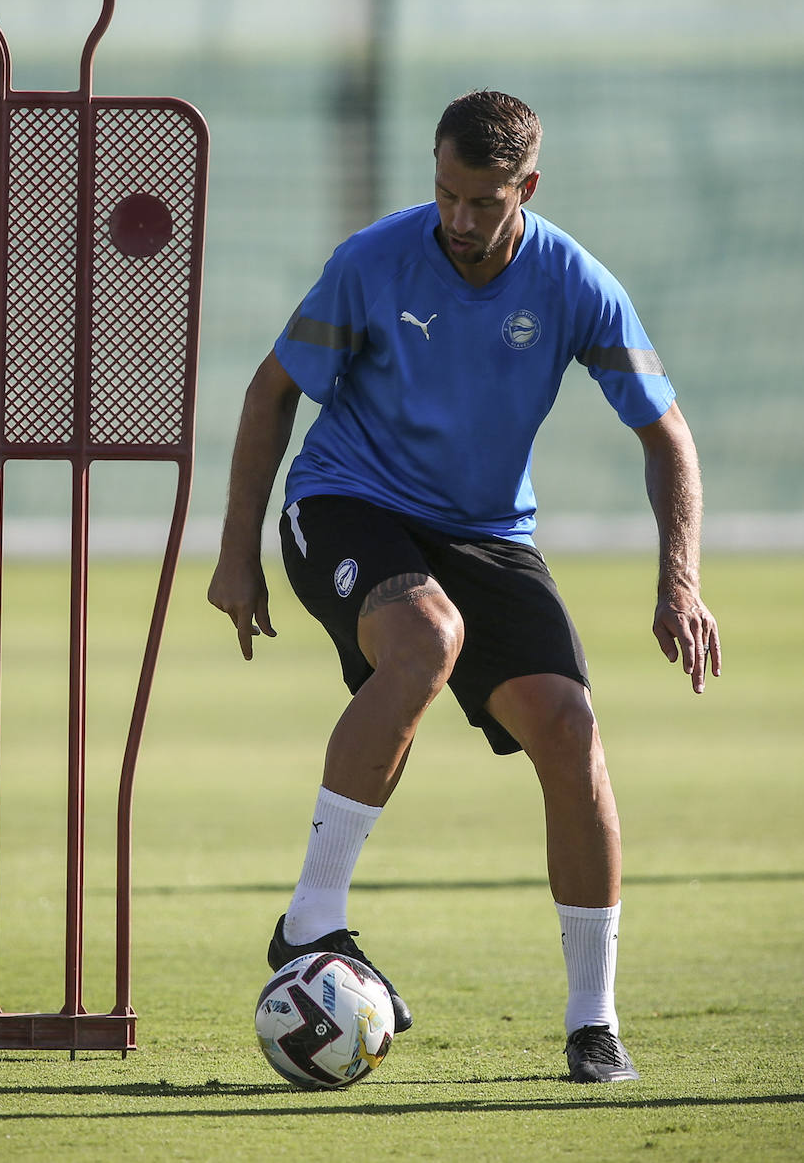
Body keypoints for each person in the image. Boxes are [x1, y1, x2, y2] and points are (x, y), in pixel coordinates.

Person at [207, 89, 720, 1083]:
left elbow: (665, 435)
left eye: (481, 201)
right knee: (424, 640)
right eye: (444, 193)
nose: (458, 219)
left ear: (523, 188)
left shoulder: (574, 283)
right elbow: (269, 390)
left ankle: (590, 1023)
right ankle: (312, 918)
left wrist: (678, 579)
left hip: (484, 530)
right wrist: (237, 552)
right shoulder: (373, 261)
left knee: (570, 732)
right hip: (344, 499)